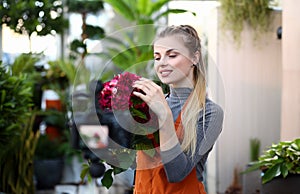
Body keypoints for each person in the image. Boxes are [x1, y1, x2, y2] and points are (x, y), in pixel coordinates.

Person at [132, 25, 224, 194]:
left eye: (172, 55)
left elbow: (177, 173)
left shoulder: (209, 113)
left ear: (194, 58)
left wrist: (164, 116)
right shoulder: (148, 106)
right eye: (157, 57)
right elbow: (139, 165)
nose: (162, 64)